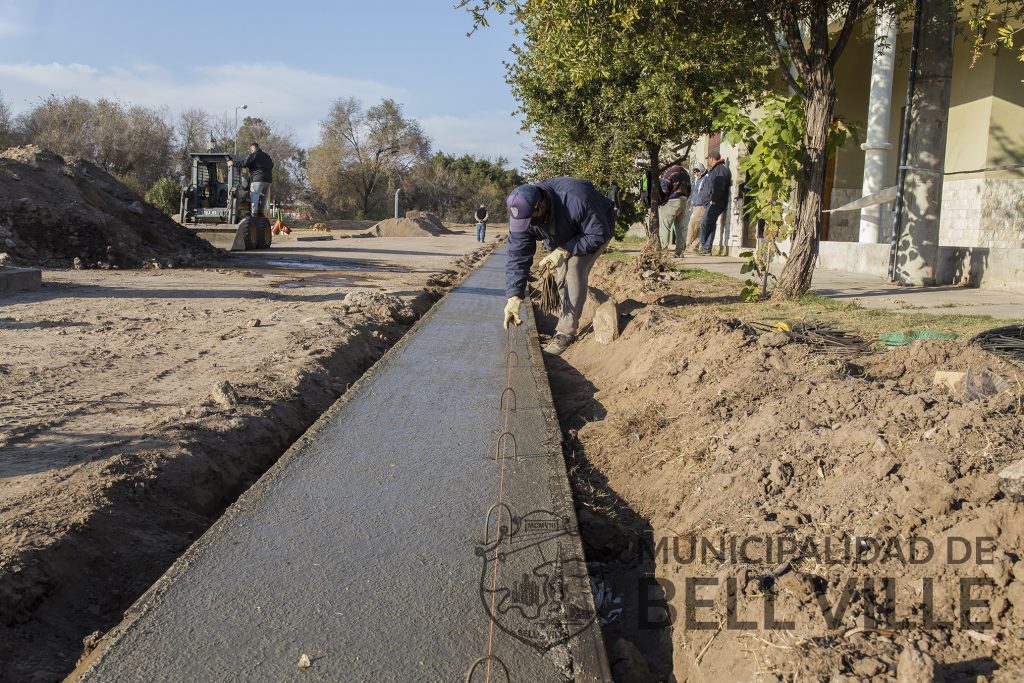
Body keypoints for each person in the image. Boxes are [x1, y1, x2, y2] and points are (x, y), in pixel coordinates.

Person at [503, 178, 614, 356]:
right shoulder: (523, 215)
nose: (528, 224)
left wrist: (566, 250)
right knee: (562, 275)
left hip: (593, 231)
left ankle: (566, 332)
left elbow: (598, 233)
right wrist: (514, 296)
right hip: (562, 235)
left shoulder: (576, 198)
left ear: (541, 205)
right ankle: (574, 308)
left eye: (531, 219)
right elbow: (517, 254)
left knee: (573, 268)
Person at [698, 152, 732, 255]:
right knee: (710, 224)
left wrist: (714, 199)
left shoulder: (720, 169)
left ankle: (704, 246)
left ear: (712, 159)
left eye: (708, 159)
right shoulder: (715, 169)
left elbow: (719, 185)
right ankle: (707, 248)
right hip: (712, 202)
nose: (707, 161)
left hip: (715, 202)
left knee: (704, 223)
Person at [228, 143, 274, 217]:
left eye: (251, 150)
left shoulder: (254, 155)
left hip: (257, 178)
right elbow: (272, 165)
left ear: (252, 149)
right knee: (264, 196)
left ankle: (253, 213)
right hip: (268, 180)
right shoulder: (267, 156)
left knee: (254, 194)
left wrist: (233, 163)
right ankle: (261, 212)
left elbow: (244, 163)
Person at [658, 162, 691, 251]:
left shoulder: (670, 172)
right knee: (680, 228)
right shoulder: (686, 173)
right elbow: (689, 190)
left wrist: (663, 201)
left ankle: (664, 250)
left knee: (665, 226)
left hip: (672, 201)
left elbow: (664, 189)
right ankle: (679, 252)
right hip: (683, 201)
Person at [684, 163, 707, 254]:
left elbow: (707, 192)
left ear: (701, 170)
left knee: (692, 225)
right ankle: (692, 248)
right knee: (697, 227)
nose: (696, 173)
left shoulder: (706, 178)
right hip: (696, 205)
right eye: (694, 172)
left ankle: (688, 245)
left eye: (697, 171)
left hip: (701, 206)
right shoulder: (699, 179)